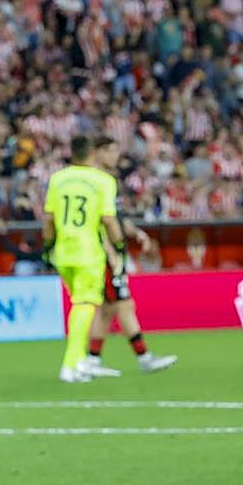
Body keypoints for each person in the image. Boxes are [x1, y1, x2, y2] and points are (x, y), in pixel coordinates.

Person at [82, 138, 178, 376]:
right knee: (124, 304)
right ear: (98, 152)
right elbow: (98, 221)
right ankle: (144, 357)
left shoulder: (107, 181)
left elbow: (116, 217)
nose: (116, 155)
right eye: (111, 150)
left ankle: (92, 360)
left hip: (106, 251)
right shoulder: (98, 182)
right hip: (105, 253)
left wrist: (138, 233)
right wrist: (111, 251)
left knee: (107, 309)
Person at [42, 135, 127, 383]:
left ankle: (80, 361)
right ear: (92, 153)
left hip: (63, 252)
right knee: (85, 305)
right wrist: (120, 247)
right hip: (88, 252)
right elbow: (109, 220)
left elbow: (48, 219)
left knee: (81, 306)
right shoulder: (103, 180)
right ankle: (70, 365)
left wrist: (48, 247)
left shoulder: (58, 179)